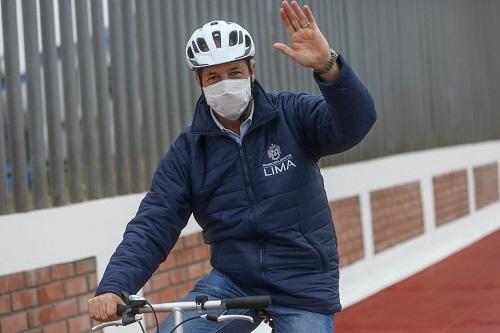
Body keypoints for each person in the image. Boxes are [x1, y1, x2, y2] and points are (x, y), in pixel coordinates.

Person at [88, 1, 376, 332]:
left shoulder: (292, 115)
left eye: (235, 72)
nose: (225, 83)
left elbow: (357, 122)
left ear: (252, 70)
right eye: (214, 76)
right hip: (234, 281)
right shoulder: (189, 150)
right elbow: (153, 223)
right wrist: (115, 285)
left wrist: (328, 67)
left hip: (303, 280)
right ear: (200, 81)